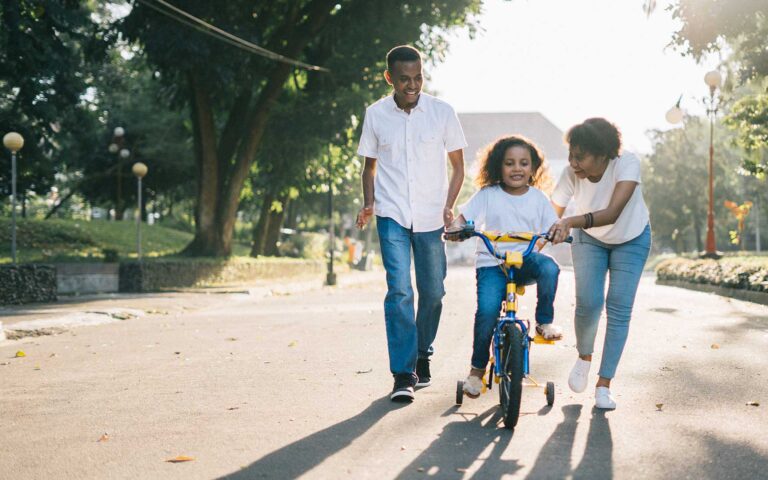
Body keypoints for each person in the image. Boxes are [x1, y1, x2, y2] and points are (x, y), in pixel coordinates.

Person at [355, 45, 467, 402]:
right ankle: (403, 373)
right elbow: (369, 166)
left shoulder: (442, 112)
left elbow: (458, 166)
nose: (412, 84)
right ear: (390, 78)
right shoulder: (375, 115)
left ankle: (423, 353)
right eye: (404, 79)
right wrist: (370, 203)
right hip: (391, 215)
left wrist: (449, 206)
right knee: (400, 290)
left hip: (432, 216)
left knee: (433, 292)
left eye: (418, 77)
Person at [548, 118, 651, 410]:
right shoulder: (571, 174)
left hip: (631, 237)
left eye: (580, 156)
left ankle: (604, 385)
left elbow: (613, 213)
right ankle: (584, 357)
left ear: (603, 154)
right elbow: (550, 215)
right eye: (571, 154)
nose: (573, 162)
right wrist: (535, 241)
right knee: (589, 304)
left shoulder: (626, 164)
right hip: (589, 240)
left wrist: (569, 221)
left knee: (619, 307)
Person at [449, 135, 562, 398]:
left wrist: (556, 233)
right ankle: (476, 371)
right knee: (487, 311)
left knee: (550, 268)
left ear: (533, 168)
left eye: (524, 163)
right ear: (499, 166)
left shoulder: (538, 198)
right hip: (492, 262)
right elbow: (463, 218)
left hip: (524, 261)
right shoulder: (488, 194)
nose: (517, 168)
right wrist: (457, 228)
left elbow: (552, 227)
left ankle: (544, 322)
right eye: (510, 163)